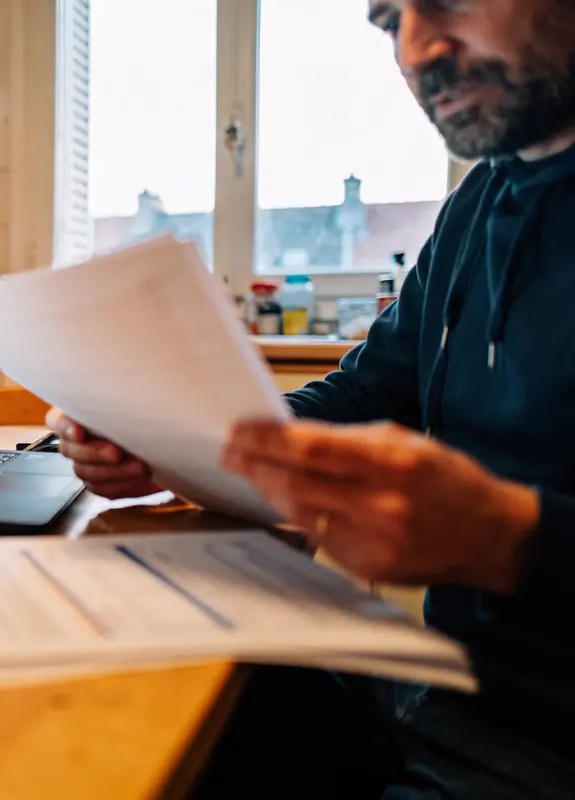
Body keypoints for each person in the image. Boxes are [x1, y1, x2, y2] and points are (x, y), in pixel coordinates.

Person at [49, 0, 575, 796]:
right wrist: (173, 437)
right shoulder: (477, 204)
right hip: (439, 684)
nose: (416, 50)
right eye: (389, 21)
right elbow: (370, 389)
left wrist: (513, 539)